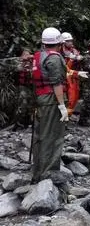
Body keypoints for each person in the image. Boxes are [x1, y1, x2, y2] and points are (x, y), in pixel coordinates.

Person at [31, 27, 69, 183]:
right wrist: (62, 106)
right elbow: (57, 84)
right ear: (59, 43)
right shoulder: (54, 58)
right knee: (52, 136)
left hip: (40, 99)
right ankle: (48, 174)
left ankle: (38, 171)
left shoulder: (39, 55)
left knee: (40, 135)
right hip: (51, 100)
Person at [61, 32, 82, 116]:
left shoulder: (74, 51)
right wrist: (72, 59)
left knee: (74, 98)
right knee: (69, 98)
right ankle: (64, 118)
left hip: (74, 77)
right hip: (65, 78)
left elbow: (78, 61)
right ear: (63, 42)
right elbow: (64, 67)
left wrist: (79, 58)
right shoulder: (60, 52)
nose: (70, 42)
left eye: (71, 41)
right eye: (68, 41)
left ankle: (67, 117)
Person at [13, 50, 35, 130]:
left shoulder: (32, 62)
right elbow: (17, 69)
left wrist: (30, 61)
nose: (27, 56)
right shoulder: (19, 62)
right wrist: (23, 62)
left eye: (28, 54)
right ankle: (18, 123)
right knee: (22, 105)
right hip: (23, 87)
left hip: (32, 86)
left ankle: (29, 122)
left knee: (31, 105)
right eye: (25, 54)